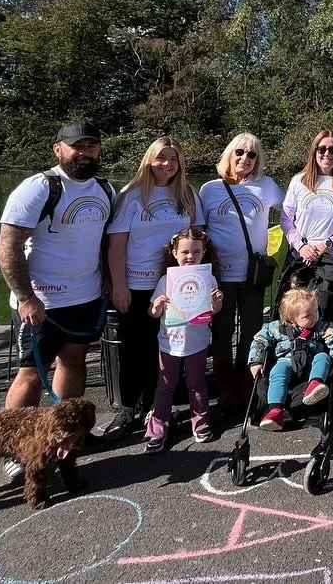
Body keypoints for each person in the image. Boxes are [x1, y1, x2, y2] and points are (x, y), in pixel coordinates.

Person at [0, 120, 116, 483]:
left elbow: (104, 240)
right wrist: (25, 296)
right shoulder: (40, 188)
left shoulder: (106, 190)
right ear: (58, 149)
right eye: (76, 146)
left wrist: (109, 278)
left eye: (91, 146)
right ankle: (14, 449)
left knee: (74, 362)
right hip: (43, 300)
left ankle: (70, 436)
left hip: (86, 295)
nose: (84, 153)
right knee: (32, 373)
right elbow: (9, 244)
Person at [100, 137, 205, 439]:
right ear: (149, 160)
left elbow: (198, 238)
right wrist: (119, 286)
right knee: (134, 347)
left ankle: (159, 405)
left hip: (175, 284)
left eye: (174, 159)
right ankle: (129, 408)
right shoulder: (131, 195)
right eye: (161, 158)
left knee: (170, 346)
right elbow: (116, 244)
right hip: (136, 283)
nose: (168, 165)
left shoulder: (188, 194)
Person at [199, 133, 284, 414]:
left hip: (252, 274)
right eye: (239, 152)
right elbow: (199, 232)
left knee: (251, 332)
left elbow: (293, 211)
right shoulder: (210, 190)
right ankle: (224, 386)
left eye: (251, 155)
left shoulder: (267, 186)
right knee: (221, 332)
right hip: (220, 275)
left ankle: (246, 382)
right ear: (229, 154)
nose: (244, 159)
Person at [143, 229, 224, 453]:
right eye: (185, 251)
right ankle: (157, 429)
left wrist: (217, 301)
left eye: (196, 252)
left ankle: (201, 423)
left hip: (197, 342)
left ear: (204, 252)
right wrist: (157, 306)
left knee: (197, 385)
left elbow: (213, 310)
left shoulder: (208, 278)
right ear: (174, 252)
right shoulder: (166, 280)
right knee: (165, 386)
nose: (190, 256)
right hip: (169, 343)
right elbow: (153, 312)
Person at [248, 287, 333, 430]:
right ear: (290, 319)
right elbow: (259, 340)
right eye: (307, 316)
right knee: (277, 372)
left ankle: (315, 385)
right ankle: (275, 410)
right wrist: (256, 361)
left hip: (311, 363)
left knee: (323, 357)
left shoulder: (322, 327)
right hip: (286, 361)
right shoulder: (277, 328)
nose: (314, 317)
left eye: (316, 311)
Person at [280, 130, 333, 269]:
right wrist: (301, 247)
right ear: (314, 151)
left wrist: (327, 243)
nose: (327, 154)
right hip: (300, 258)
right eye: (322, 149)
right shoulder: (298, 181)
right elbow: (286, 220)